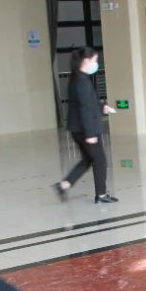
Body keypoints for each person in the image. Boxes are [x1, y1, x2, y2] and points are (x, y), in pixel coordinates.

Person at [54, 47, 117, 204]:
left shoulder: (78, 78)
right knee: (100, 160)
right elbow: (85, 108)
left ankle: (64, 185)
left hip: (77, 128)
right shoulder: (81, 81)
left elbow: (89, 102)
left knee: (88, 159)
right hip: (85, 129)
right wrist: (90, 134)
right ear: (86, 61)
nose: (96, 64)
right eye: (95, 60)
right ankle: (101, 195)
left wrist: (102, 107)